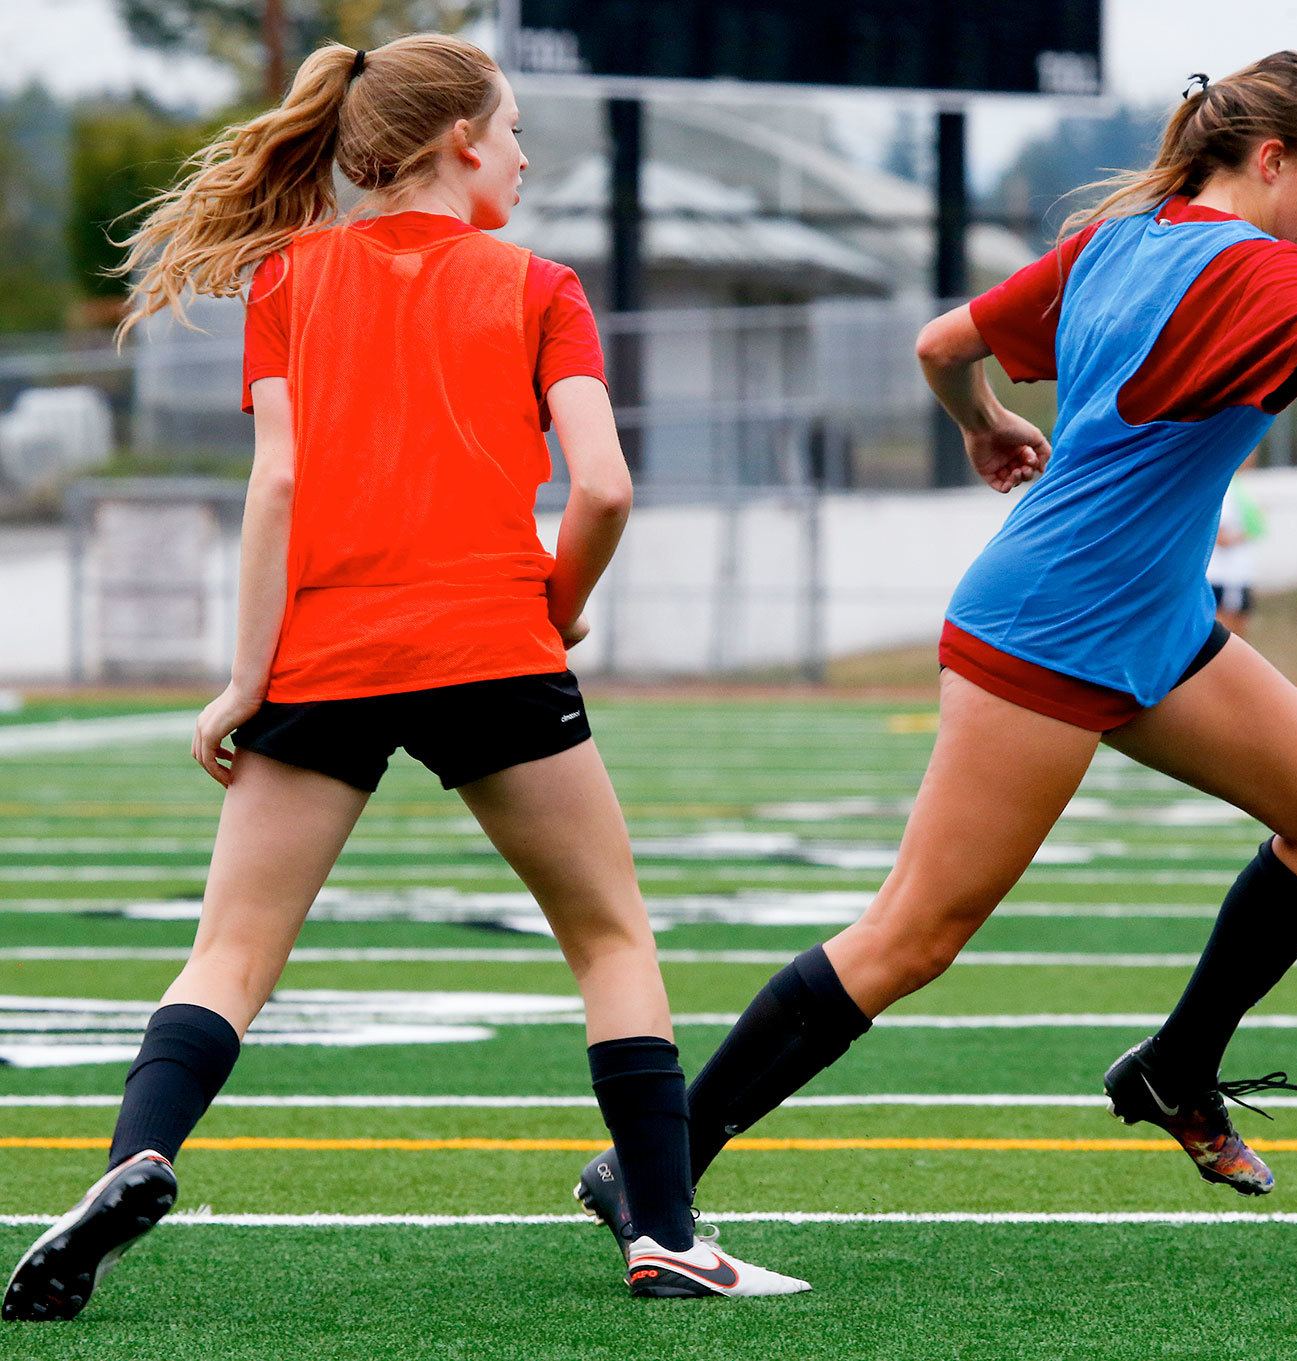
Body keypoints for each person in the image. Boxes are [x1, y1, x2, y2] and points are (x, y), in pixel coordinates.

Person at [571, 50, 1297, 1229]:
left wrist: (986, 423)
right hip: (1051, 625)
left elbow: (941, 343)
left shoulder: (1125, 238)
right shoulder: (1256, 268)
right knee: (912, 934)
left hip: (1146, 617)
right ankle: (658, 1163)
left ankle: (1172, 1067)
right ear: (1270, 160)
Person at [3, 36, 804, 1323]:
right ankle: (664, 1232)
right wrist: (555, 608)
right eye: (516, 130)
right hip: (493, 645)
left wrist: (240, 681)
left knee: (232, 951)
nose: (528, 156)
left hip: (321, 654)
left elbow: (276, 487)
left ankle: (132, 1164)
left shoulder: (286, 279)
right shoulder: (542, 284)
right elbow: (602, 485)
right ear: (457, 145)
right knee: (608, 936)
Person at [1209, 453, 1264, 635]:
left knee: (1240, 630)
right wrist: (1249, 532)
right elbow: (1220, 538)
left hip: (1238, 575)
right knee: (1225, 634)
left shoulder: (1241, 487)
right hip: (1225, 575)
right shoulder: (1227, 489)